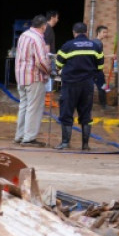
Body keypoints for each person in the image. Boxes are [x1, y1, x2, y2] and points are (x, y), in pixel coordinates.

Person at [54, 22, 104, 150]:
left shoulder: (68, 46)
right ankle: (85, 145)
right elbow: (100, 67)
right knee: (86, 113)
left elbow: (58, 64)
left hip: (70, 84)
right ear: (86, 32)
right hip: (87, 85)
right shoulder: (95, 46)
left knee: (66, 112)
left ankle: (65, 142)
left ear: (74, 32)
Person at [13, 15, 52, 147]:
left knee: (24, 106)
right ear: (43, 26)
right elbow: (41, 61)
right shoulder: (38, 38)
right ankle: (29, 138)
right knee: (33, 108)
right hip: (34, 77)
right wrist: (50, 71)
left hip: (21, 76)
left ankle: (20, 135)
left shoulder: (24, 35)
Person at [93, 25, 111, 110]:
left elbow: (100, 56)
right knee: (103, 87)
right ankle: (104, 105)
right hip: (97, 71)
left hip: (93, 70)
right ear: (98, 32)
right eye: (104, 32)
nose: (105, 34)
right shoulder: (98, 43)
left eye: (106, 32)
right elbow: (98, 57)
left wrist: (110, 56)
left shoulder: (94, 42)